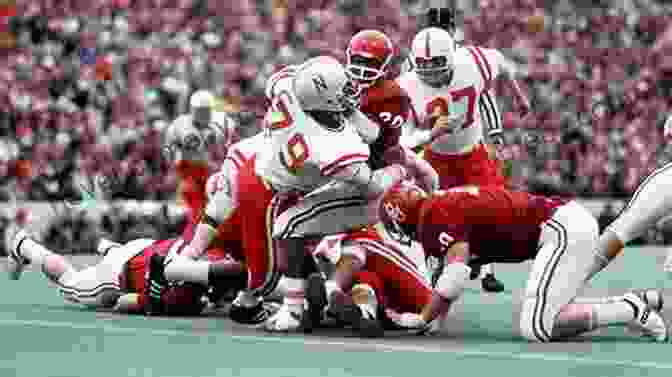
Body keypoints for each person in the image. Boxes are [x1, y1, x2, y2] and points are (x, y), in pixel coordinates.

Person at [378, 183, 667, 342]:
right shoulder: (439, 206)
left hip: (560, 230)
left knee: (538, 327)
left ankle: (629, 309)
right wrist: (435, 320)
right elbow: (454, 270)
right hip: (564, 224)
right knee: (553, 311)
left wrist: (424, 317)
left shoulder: (433, 217)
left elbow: (455, 273)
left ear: (400, 217)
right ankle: (637, 301)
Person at [256, 56, 409, 332]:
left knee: (297, 236)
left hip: (275, 170)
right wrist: (398, 169)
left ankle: (309, 299)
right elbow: (373, 186)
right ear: (326, 101)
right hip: (329, 186)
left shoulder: (289, 88)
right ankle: (302, 305)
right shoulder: (334, 145)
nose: (352, 89)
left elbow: (278, 81)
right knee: (288, 230)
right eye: (343, 89)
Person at [397, 26, 531, 293]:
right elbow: (404, 143)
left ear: (451, 57)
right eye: (425, 69)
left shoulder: (472, 64)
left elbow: (502, 63)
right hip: (435, 158)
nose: (432, 77)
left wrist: (518, 96)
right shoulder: (405, 88)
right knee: (429, 216)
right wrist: (434, 132)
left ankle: (482, 263)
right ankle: (433, 267)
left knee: (495, 209)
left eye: (438, 68)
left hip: (473, 152)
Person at [4, 228, 233, 316]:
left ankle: (109, 248)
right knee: (72, 283)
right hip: (119, 274)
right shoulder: (180, 298)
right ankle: (25, 245)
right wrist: (145, 303)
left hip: (144, 247)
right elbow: (123, 302)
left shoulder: (212, 248)